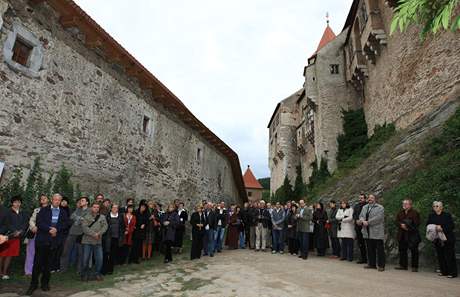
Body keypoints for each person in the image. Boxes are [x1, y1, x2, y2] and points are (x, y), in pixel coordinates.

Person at [26, 194, 70, 296]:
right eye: (55, 200)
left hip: (54, 242)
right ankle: (33, 284)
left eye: (59, 200)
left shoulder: (63, 212)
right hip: (42, 240)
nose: (57, 202)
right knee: (37, 264)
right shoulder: (44, 210)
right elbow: (39, 222)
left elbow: (66, 223)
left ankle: (45, 284)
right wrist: (50, 229)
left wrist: (57, 229)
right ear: (52, 200)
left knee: (48, 265)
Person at [426, 201, 457, 278]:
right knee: (440, 255)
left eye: (437, 206)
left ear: (441, 207)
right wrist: (435, 227)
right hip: (437, 238)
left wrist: (442, 229)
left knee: (449, 255)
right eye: (434, 206)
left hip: (447, 238)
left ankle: (452, 273)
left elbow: (451, 226)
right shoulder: (431, 216)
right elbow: (428, 225)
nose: (435, 208)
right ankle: (444, 271)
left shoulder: (447, 215)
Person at [0, 196, 28, 280]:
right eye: (15, 202)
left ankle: (5, 273)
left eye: (19, 202)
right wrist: (14, 231)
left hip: (16, 238)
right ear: (12, 203)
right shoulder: (7, 212)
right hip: (6, 236)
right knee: (2, 255)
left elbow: (25, 224)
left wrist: (21, 231)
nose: (17, 204)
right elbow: (6, 223)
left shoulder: (23, 213)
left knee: (10, 255)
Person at [60, 196, 89, 273]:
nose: (80, 202)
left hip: (81, 233)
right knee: (65, 250)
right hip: (72, 232)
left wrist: (78, 219)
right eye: (80, 201)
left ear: (87, 202)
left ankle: (79, 270)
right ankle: (63, 269)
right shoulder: (78, 209)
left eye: (82, 201)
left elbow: (85, 221)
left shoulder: (89, 211)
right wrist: (80, 218)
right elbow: (72, 216)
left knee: (80, 252)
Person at [81, 201, 108, 281]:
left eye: (97, 207)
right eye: (94, 207)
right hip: (87, 241)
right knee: (85, 259)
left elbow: (105, 226)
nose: (96, 209)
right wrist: (94, 234)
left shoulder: (102, 217)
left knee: (99, 259)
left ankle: (97, 274)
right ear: (91, 207)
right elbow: (84, 228)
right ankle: (84, 274)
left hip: (98, 241)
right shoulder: (86, 216)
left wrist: (99, 234)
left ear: (99, 209)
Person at [358, 194, 385, 271]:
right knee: (370, 249)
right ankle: (372, 264)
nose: (370, 199)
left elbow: (379, 218)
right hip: (367, 231)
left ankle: (381, 265)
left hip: (377, 231)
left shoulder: (380, 208)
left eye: (372, 198)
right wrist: (362, 220)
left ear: (375, 199)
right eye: (369, 198)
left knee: (380, 250)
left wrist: (368, 222)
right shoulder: (365, 207)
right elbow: (361, 216)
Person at [25, 195, 49, 276]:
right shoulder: (37, 210)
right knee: (31, 252)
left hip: (45, 234)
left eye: (44, 198)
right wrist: (33, 226)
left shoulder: (52, 210)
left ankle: (40, 270)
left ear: (48, 200)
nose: (43, 199)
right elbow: (31, 220)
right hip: (34, 233)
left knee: (42, 253)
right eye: (41, 199)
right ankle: (28, 271)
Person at [395, 199, 421, 272]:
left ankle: (414, 267)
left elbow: (417, 223)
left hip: (412, 235)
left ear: (410, 205)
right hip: (402, 234)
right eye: (403, 203)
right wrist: (401, 225)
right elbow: (396, 221)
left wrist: (407, 227)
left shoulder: (415, 213)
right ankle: (403, 265)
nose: (404, 205)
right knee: (402, 250)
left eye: (406, 204)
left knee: (414, 251)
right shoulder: (400, 212)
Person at [102, 203, 125, 275]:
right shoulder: (107, 216)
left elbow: (122, 226)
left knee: (113, 254)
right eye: (114, 208)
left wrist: (122, 235)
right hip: (108, 238)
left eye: (116, 208)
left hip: (117, 238)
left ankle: (110, 269)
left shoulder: (120, 216)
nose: (115, 209)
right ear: (111, 208)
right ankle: (104, 269)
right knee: (106, 253)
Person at [353, 193, 367, 264]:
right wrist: (356, 220)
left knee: (366, 243)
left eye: (362, 198)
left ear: (365, 199)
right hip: (357, 226)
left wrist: (361, 221)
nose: (360, 199)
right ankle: (363, 258)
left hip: (365, 226)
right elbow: (354, 214)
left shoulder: (367, 206)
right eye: (360, 198)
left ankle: (368, 259)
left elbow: (367, 215)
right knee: (360, 243)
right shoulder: (356, 206)